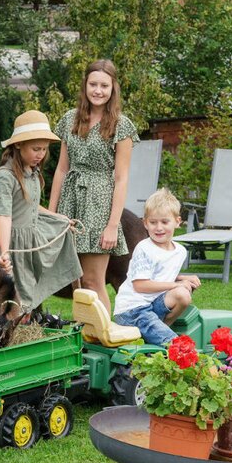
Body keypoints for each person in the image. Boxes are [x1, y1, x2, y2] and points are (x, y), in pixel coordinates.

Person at [48, 58, 138, 316]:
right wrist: (52, 213)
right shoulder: (69, 120)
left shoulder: (122, 126)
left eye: (104, 86)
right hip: (70, 203)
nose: (98, 90)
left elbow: (121, 178)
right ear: (85, 86)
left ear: (113, 89)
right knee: (77, 283)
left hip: (99, 205)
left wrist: (112, 225)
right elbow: (62, 169)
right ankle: (85, 339)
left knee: (92, 281)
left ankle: (104, 337)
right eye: (93, 84)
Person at [0, 110, 81, 317]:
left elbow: (31, 205)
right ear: (18, 145)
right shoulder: (5, 177)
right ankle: (0, 339)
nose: (41, 154)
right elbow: (3, 215)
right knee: (3, 300)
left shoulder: (33, 173)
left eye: (44, 149)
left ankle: (19, 334)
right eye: (36, 149)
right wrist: (4, 251)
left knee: (24, 300)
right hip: (7, 244)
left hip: (26, 244)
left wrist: (57, 218)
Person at [112, 188, 202, 346]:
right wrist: (176, 284)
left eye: (165, 222)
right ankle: (163, 337)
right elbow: (140, 285)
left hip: (152, 305)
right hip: (133, 310)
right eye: (153, 222)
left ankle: (160, 329)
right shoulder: (144, 248)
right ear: (145, 223)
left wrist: (182, 278)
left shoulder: (179, 251)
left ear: (177, 221)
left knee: (183, 293)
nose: (158, 227)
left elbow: (159, 275)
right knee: (176, 345)